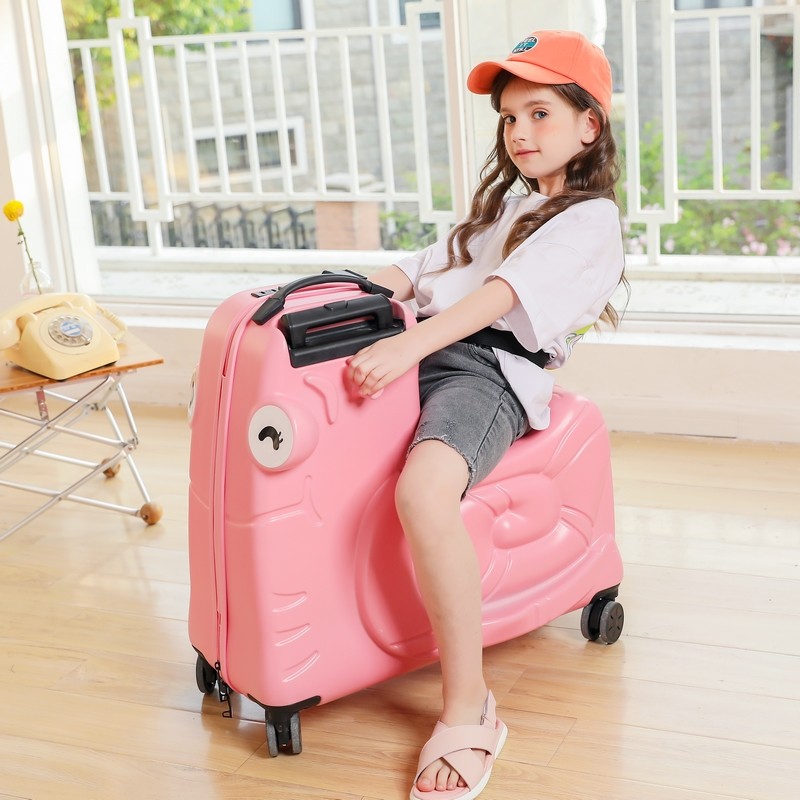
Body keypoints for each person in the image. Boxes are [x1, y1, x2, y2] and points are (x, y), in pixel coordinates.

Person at [346, 29, 625, 800]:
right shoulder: (509, 204)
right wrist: (326, 299)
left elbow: (503, 297)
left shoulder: (589, 220)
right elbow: (422, 268)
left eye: (539, 113)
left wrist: (409, 347)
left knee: (422, 492)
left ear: (589, 125)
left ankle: (469, 706)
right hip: (424, 345)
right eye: (508, 118)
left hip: (487, 370)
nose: (519, 132)